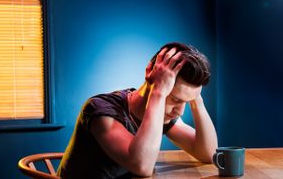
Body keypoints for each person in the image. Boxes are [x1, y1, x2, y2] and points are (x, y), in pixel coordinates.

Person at [57, 42, 218, 179]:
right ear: (150, 74)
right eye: (175, 99)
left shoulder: (163, 116)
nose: (180, 112)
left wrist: (196, 99)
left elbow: (208, 154)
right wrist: (159, 92)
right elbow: (142, 166)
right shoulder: (101, 110)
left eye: (186, 102)